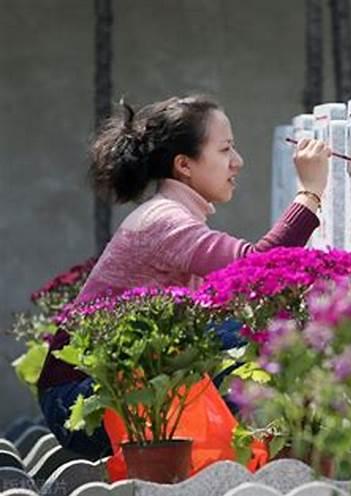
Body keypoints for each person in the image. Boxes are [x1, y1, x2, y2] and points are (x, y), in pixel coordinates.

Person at [36, 95, 331, 459]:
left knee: (247, 329)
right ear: (184, 165)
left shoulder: (171, 215)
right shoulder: (164, 220)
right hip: (77, 399)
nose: (237, 162)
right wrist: (310, 192)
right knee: (252, 334)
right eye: (225, 150)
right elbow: (259, 267)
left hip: (101, 389)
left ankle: (283, 450)